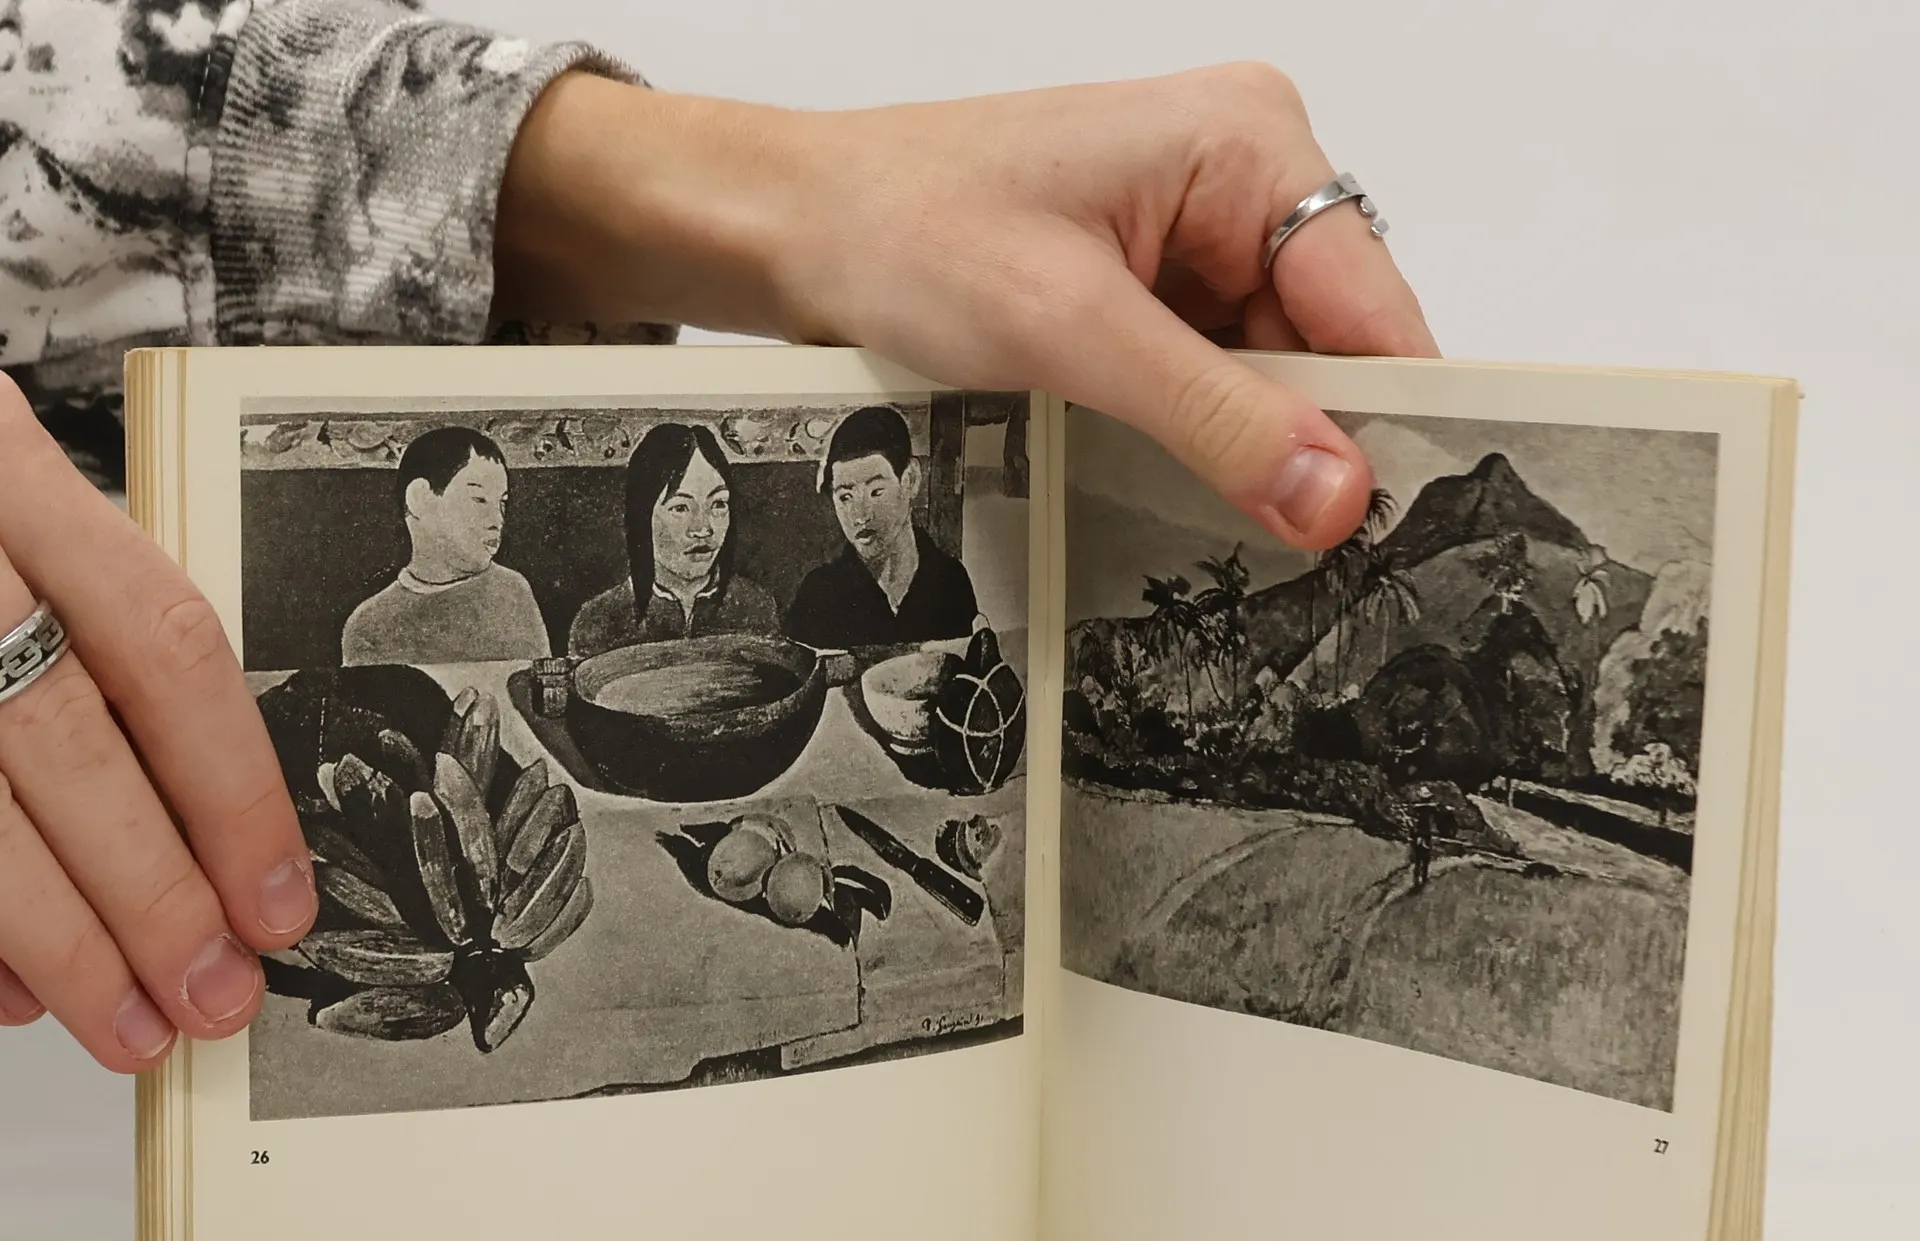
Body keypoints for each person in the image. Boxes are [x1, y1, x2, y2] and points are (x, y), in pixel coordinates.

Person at [0, 3, 1437, 1073]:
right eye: (675, 506)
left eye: (720, 504)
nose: (707, 527)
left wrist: (781, 193)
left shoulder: (807, 612)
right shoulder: (564, 633)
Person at [340, 426, 549, 666]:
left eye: (502, 503)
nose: (497, 520)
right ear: (420, 499)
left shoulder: (512, 592)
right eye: (479, 500)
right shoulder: (368, 623)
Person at [784, 406, 979, 658]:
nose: (860, 515)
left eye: (876, 492)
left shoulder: (950, 582)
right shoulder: (818, 595)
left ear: (910, 480)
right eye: (845, 497)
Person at [569, 423, 778, 658]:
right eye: (680, 508)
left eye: (718, 504)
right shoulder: (601, 620)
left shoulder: (755, 607)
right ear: (642, 516)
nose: (703, 529)